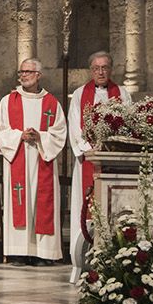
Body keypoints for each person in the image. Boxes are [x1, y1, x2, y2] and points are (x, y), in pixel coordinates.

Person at [0, 58, 68, 266]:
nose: (24, 75)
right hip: (18, 157)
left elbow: (60, 132)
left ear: (38, 75)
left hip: (41, 158)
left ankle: (43, 253)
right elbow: (1, 130)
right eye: (21, 72)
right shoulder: (8, 101)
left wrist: (40, 137)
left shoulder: (52, 103)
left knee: (41, 202)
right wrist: (20, 136)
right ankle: (18, 252)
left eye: (28, 72)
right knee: (20, 201)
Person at [65, 50, 124, 281]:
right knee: (86, 207)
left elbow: (127, 121)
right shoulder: (81, 94)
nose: (101, 72)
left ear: (111, 69)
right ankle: (82, 258)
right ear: (91, 71)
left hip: (114, 161)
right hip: (88, 160)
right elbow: (74, 126)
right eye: (97, 68)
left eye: (105, 67)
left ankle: (114, 256)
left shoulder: (122, 93)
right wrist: (87, 147)